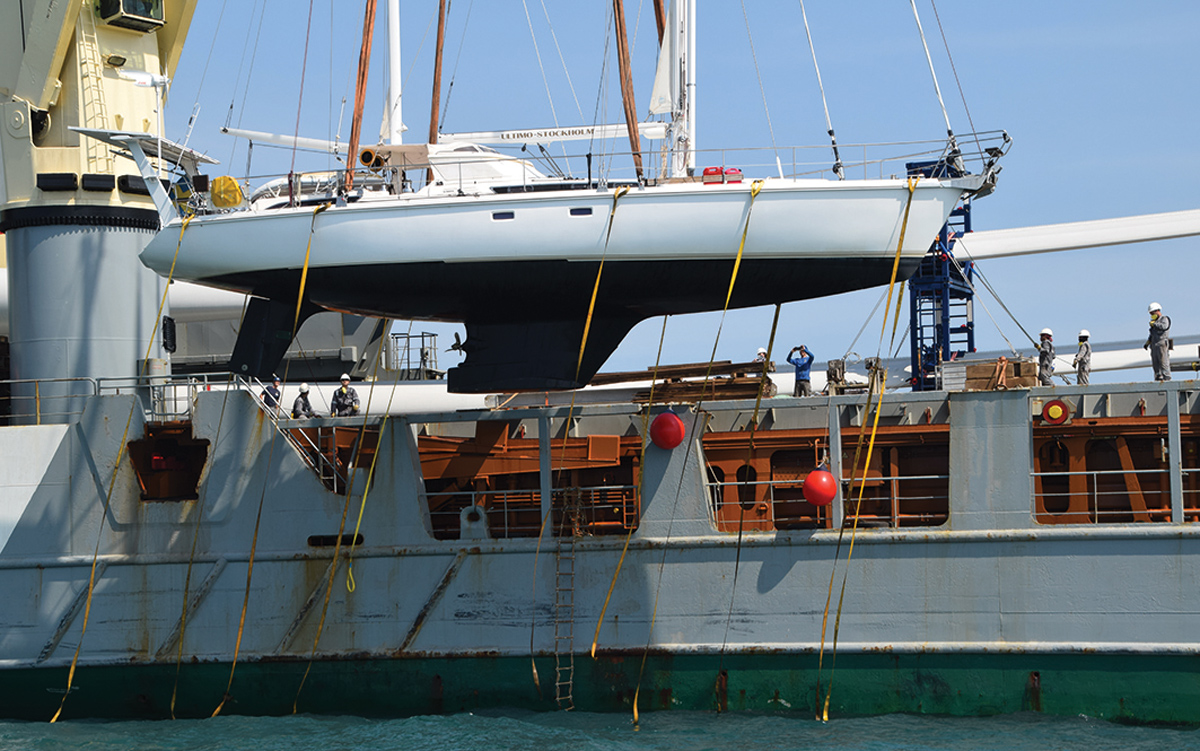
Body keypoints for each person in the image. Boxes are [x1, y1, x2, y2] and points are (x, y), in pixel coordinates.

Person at [1144, 302, 1171, 381]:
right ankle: (1158, 377)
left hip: (1161, 343)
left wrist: (1155, 324)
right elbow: (1152, 334)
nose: (1152, 315)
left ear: (1157, 311)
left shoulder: (1164, 319)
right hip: (1154, 344)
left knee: (1163, 362)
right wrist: (1148, 343)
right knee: (1155, 362)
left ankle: (1166, 377)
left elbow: (1164, 327)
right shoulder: (1154, 322)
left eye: (1152, 313)